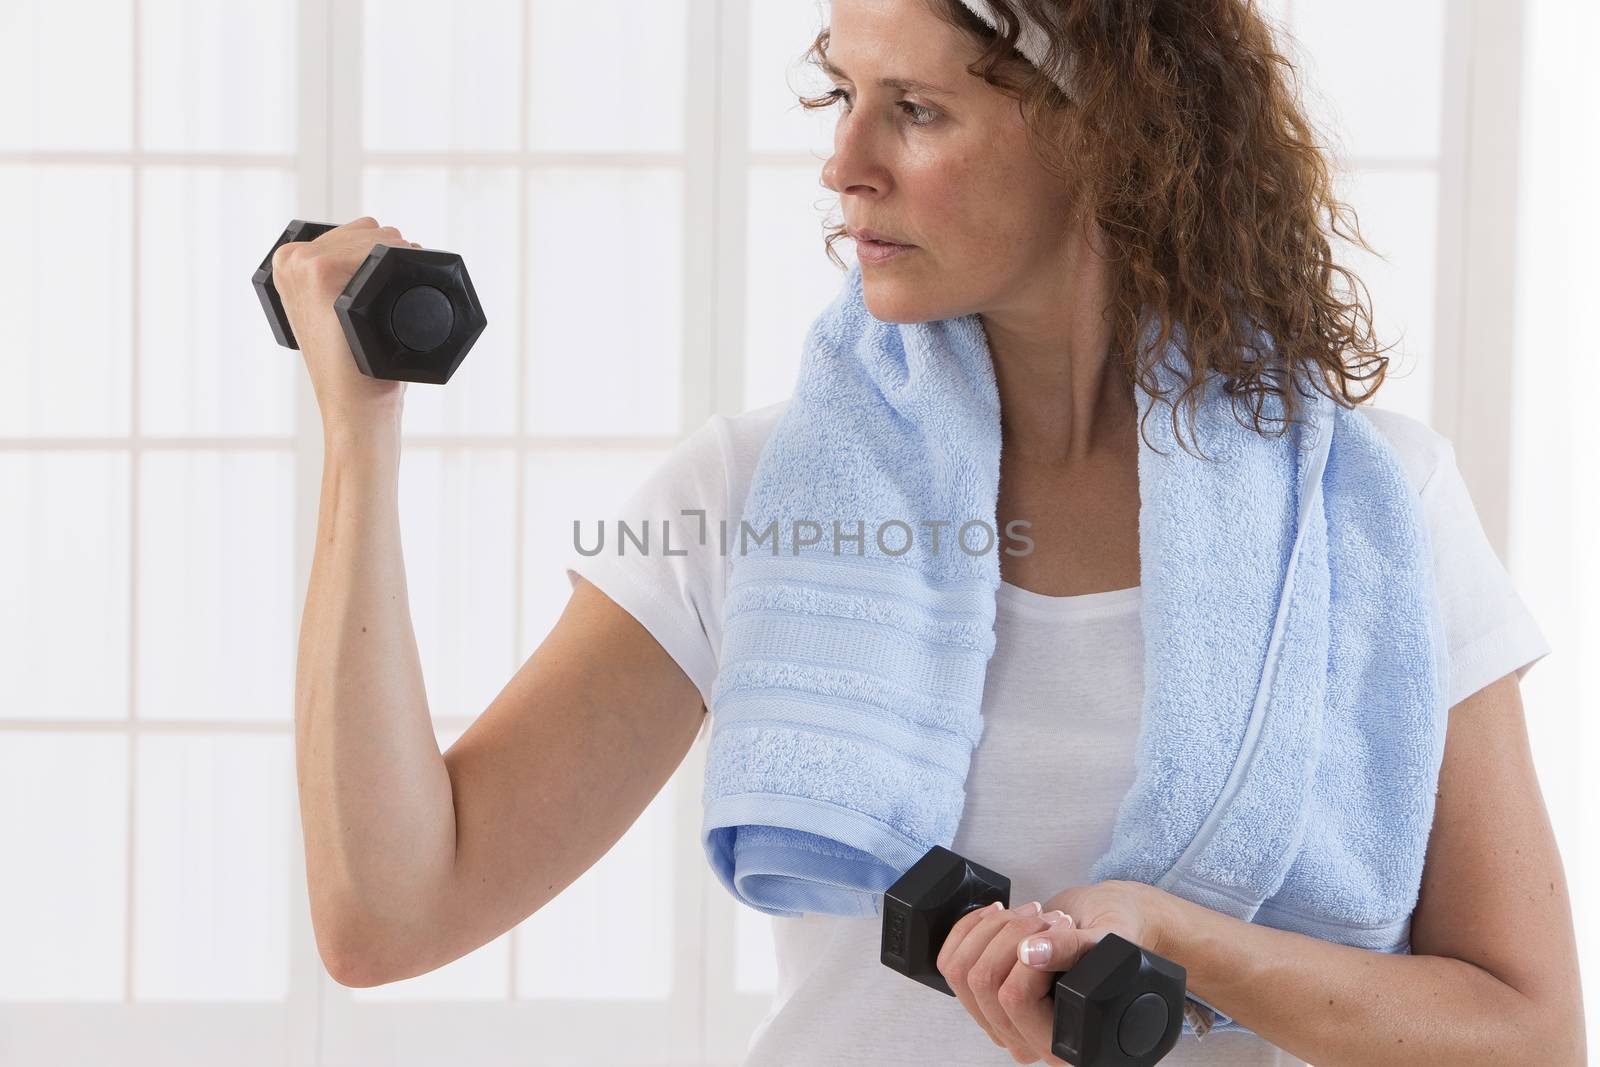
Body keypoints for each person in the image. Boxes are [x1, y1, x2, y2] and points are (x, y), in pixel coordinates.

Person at [282, 1, 1586, 1064]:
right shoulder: (752, 493)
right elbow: (393, 914)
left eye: (915, 109)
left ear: (1113, 137)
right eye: (836, 94)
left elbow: (1529, 1033)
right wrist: (361, 437)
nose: (845, 165)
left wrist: (1177, 942)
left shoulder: (1368, 510)